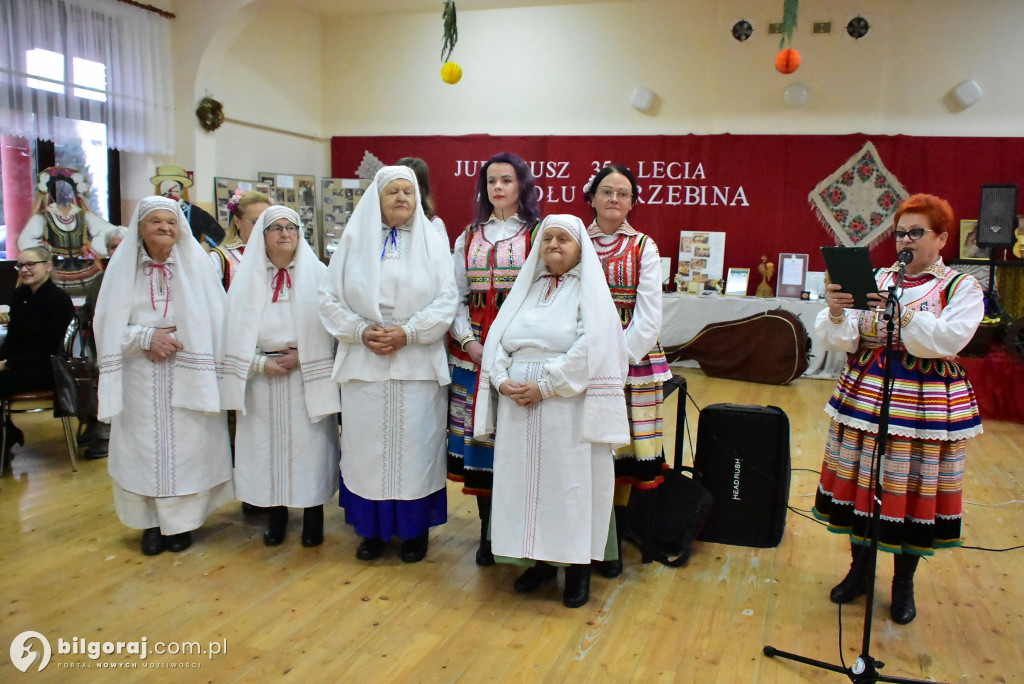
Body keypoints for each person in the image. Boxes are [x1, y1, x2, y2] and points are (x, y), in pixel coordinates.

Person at [813, 193, 984, 625]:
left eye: (916, 232)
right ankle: (860, 570)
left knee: (909, 489)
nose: (904, 240)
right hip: (868, 393)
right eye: (900, 232)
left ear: (942, 238)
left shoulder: (960, 287)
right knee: (863, 481)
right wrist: (836, 314)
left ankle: (902, 583)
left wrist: (903, 316)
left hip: (925, 404)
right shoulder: (877, 278)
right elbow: (845, 336)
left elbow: (947, 340)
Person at [474, 214, 628, 608]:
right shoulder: (527, 289)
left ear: (580, 249)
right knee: (526, 487)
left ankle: (576, 568)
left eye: (564, 239)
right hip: (518, 406)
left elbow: (592, 345)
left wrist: (546, 385)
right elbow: (499, 342)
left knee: (567, 488)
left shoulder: (589, 291)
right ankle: (540, 562)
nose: (554, 245)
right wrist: (500, 377)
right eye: (547, 239)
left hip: (566, 405)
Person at [319, 166, 458, 563]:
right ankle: (372, 531)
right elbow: (328, 298)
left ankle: (415, 533)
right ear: (375, 200)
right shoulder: (353, 241)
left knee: (418, 449)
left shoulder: (433, 241)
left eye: (407, 192)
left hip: (417, 364)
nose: (400, 198)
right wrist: (360, 330)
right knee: (367, 451)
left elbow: (447, 300)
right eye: (392, 192)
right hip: (365, 363)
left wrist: (409, 333)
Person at [94, 196, 233, 556]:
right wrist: (144, 337)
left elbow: (216, 317)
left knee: (190, 447)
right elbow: (106, 324)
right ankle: (150, 524)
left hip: (188, 365)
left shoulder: (195, 264)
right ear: (140, 227)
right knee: (142, 446)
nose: (164, 228)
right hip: (139, 371)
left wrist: (178, 340)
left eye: (170, 222)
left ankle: (182, 524)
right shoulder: (122, 269)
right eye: (155, 221)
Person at [221, 206, 341, 547]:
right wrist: (260, 364)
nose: (285, 233)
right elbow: (233, 331)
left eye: (291, 227)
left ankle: (313, 517)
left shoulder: (319, 275)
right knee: (266, 450)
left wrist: (303, 356)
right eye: (276, 228)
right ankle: (276, 516)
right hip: (263, 377)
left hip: (306, 374)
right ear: (263, 236)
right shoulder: (247, 280)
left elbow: (333, 326)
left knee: (310, 449)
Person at [446, 152, 542, 566]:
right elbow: (455, 297)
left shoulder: (539, 235)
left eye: (507, 179)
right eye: (491, 181)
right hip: (475, 354)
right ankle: (487, 533)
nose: (498, 187)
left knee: (519, 440)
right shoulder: (468, 237)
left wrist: (512, 345)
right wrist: (468, 341)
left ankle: (520, 528)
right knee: (480, 444)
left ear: (522, 184)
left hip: (521, 351)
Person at [584, 164, 672, 577]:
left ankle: (613, 542)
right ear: (592, 197)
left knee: (624, 453)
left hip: (630, 362)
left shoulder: (644, 247)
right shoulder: (575, 240)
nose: (614, 199)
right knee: (588, 449)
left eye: (623, 193)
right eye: (606, 191)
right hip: (581, 356)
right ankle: (584, 536)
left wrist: (617, 360)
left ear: (633, 202)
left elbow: (649, 316)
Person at [0, 246, 75, 468]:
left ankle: (6, 438)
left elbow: (50, 349)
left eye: (30, 264)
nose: (24, 269)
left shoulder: (58, 300)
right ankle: (8, 432)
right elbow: (12, 339)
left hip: (48, 367)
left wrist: (7, 364)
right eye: (20, 265)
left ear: (48, 266)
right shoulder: (20, 296)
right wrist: (4, 360)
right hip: (22, 365)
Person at [18, 166, 116, 296]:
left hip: (84, 267)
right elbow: (24, 241)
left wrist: (91, 246)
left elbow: (111, 233)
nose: (63, 195)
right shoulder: (44, 217)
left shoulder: (82, 215)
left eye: (67, 190)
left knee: (94, 294)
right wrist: (44, 252)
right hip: (54, 268)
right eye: (59, 191)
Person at [209, 189, 272, 290]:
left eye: (268, 221)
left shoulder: (278, 255)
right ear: (237, 221)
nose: (263, 227)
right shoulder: (220, 258)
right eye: (256, 221)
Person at [151, 164, 225, 248]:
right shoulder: (153, 211)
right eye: (164, 187)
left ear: (181, 190)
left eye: (172, 187)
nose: (168, 191)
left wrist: (201, 251)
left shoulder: (196, 213)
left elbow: (220, 236)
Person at [396, 157, 448, 242]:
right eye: (395, 190)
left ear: (421, 189)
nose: (401, 197)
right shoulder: (378, 223)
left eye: (408, 189)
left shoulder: (434, 224)